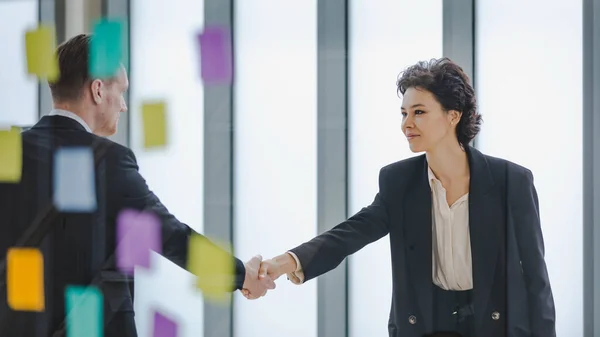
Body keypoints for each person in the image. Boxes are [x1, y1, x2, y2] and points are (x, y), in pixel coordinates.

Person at [255, 58, 556, 337]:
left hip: (495, 325)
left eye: (419, 112)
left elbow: (536, 278)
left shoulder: (510, 181)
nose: (406, 124)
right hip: (425, 325)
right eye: (404, 113)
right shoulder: (398, 181)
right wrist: (285, 262)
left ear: (453, 115)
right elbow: (350, 233)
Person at [0, 34, 273, 337]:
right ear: (98, 90)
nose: (124, 106)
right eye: (122, 92)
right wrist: (242, 275)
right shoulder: (107, 161)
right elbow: (171, 237)